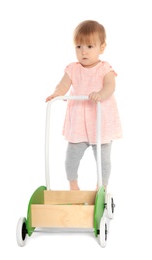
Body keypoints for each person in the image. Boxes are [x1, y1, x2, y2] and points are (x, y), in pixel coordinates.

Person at [46, 20, 122, 190]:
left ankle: (101, 187)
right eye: (78, 47)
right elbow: (63, 84)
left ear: (101, 48)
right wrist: (58, 93)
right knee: (71, 157)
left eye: (89, 46)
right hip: (79, 121)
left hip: (100, 121)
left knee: (103, 159)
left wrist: (101, 94)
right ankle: (73, 185)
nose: (83, 52)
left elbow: (110, 86)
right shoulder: (73, 69)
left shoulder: (105, 68)